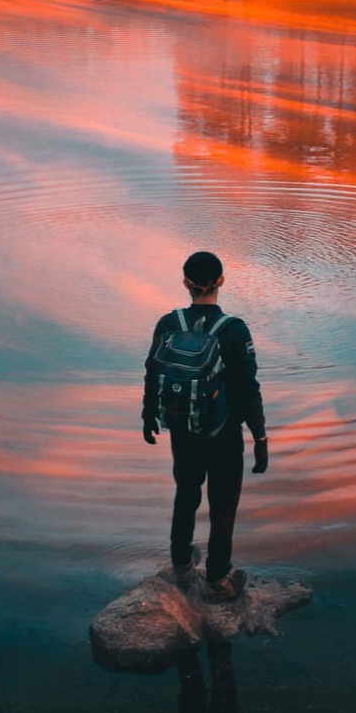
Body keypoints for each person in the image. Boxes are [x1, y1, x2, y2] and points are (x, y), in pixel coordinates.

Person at [142, 250, 268, 602]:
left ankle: (181, 563)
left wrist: (148, 416)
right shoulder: (234, 330)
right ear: (221, 281)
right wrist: (259, 434)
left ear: (185, 283)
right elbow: (247, 386)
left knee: (186, 493)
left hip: (182, 432)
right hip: (224, 434)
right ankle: (216, 578)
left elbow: (152, 372)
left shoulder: (169, 324)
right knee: (223, 506)